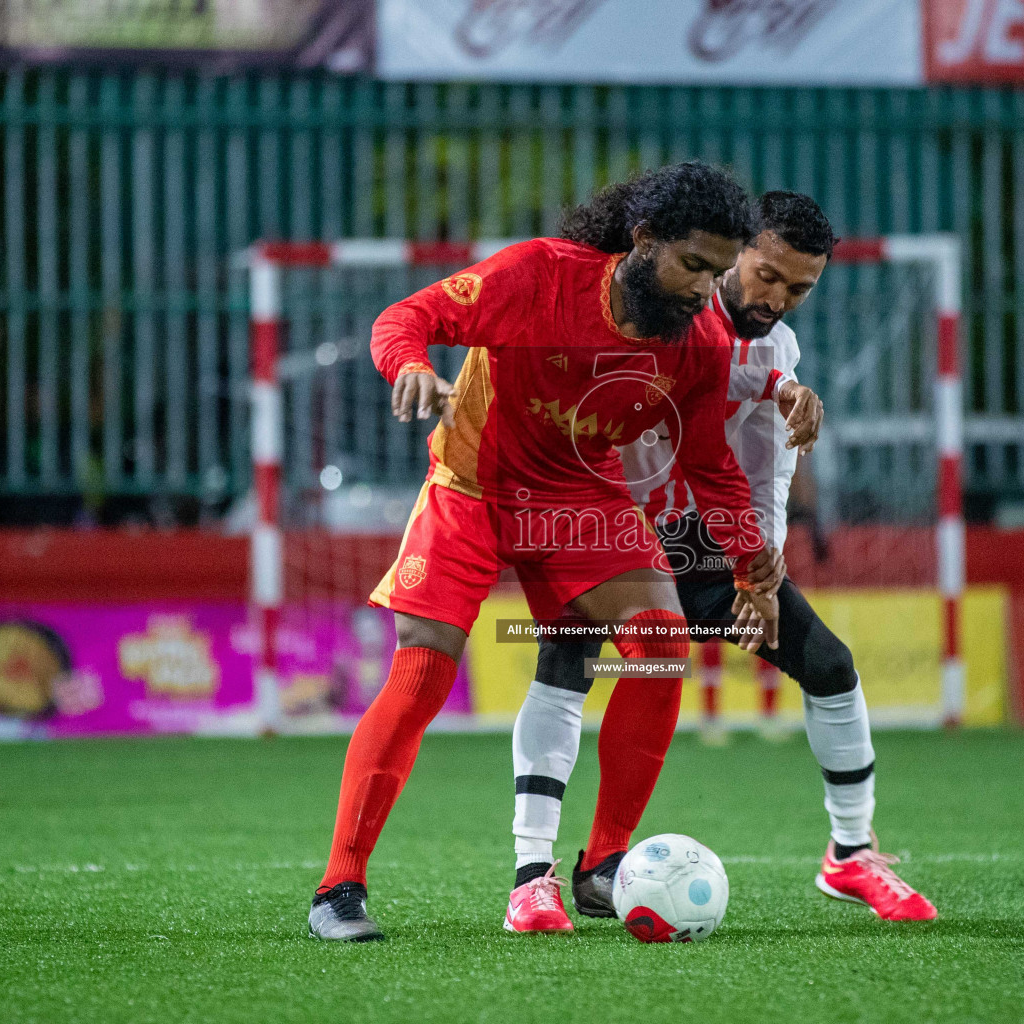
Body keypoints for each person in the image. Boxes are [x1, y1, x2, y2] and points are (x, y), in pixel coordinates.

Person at [307, 162, 783, 942]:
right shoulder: (537, 276)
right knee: (424, 667)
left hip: (581, 500)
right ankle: (340, 887)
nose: (705, 290)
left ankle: (602, 865)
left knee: (662, 645)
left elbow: (708, 464)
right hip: (472, 488)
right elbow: (404, 318)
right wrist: (414, 368)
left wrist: (746, 563)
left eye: (717, 272)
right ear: (642, 240)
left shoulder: (698, 340)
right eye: (692, 266)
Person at [503, 192, 937, 933]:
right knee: (564, 664)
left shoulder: (780, 350)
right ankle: (532, 876)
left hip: (709, 546)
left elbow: (764, 469)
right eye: (768, 275)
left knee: (829, 665)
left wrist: (760, 576)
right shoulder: (650, 312)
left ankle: (851, 854)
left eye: (799, 289)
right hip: (610, 529)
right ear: (735, 251)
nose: (777, 297)